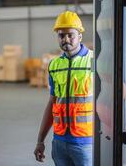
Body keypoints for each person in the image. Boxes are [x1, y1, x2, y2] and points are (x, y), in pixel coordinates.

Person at [34, 11, 93, 166]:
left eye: (70, 35)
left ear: (80, 36)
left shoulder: (94, 61)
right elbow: (53, 103)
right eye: (61, 35)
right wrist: (40, 140)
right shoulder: (54, 65)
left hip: (85, 143)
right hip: (59, 143)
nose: (65, 39)